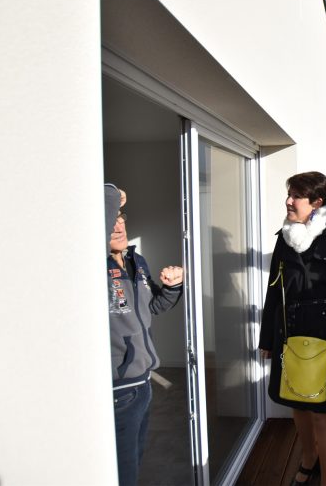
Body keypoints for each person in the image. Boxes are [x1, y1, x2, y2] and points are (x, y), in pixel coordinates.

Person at [258, 171, 326, 486]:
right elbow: (274, 292)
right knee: (297, 404)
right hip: (288, 337)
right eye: (288, 194)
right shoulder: (285, 238)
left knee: (323, 413)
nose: (288, 201)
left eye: (296, 196)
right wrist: (267, 339)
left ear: (317, 202)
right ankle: (308, 459)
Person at [104, 184, 184, 486]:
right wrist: (114, 193)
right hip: (119, 387)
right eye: (111, 217)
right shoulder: (93, 265)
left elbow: (152, 308)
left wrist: (173, 287)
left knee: (135, 460)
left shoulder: (136, 262)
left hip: (143, 381)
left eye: (121, 216)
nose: (118, 224)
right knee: (122, 471)